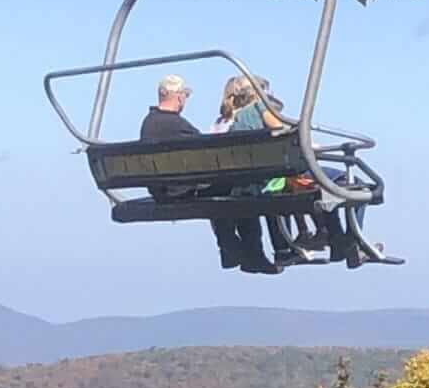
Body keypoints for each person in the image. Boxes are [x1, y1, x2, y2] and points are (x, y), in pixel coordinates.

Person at [138, 75, 280, 275]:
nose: (185, 100)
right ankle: (248, 253)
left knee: (227, 191)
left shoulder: (149, 123)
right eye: (185, 96)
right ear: (178, 97)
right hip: (183, 189)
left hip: (163, 190)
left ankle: (231, 249)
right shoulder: (175, 125)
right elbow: (209, 152)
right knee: (242, 190)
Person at [231, 79, 362, 266]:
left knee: (327, 186)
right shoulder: (259, 108)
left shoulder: (237, 120)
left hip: (256, 181)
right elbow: (283, 135)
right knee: (355, 185)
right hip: (278, 178)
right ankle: (351, 244)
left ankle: (339, 242)